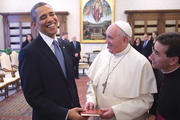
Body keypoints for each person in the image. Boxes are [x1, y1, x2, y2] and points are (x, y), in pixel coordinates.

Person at [18, 2, 84, 120]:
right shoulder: (29, 52)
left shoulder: (65, 45)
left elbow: (71, 84)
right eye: (43, 17)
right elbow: (33, 96)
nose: (50, 19)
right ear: (34, 24)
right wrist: (65, 114)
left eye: (52, 14)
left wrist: (78, 109)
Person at [85, 20, 157, 120]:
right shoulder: (102, 56)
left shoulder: (142, 63)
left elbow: (146, 100)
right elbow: (92, 85)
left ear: (124, 40)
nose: (106, 41)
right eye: (106, 36)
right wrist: (91, 100)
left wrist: (116, 111)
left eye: (110, 37)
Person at [147, 32, 180, 120]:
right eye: (153, 50)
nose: (150, 57)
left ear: (173, 60)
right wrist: (153, 113)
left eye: (157, 53)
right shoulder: (161, 69)